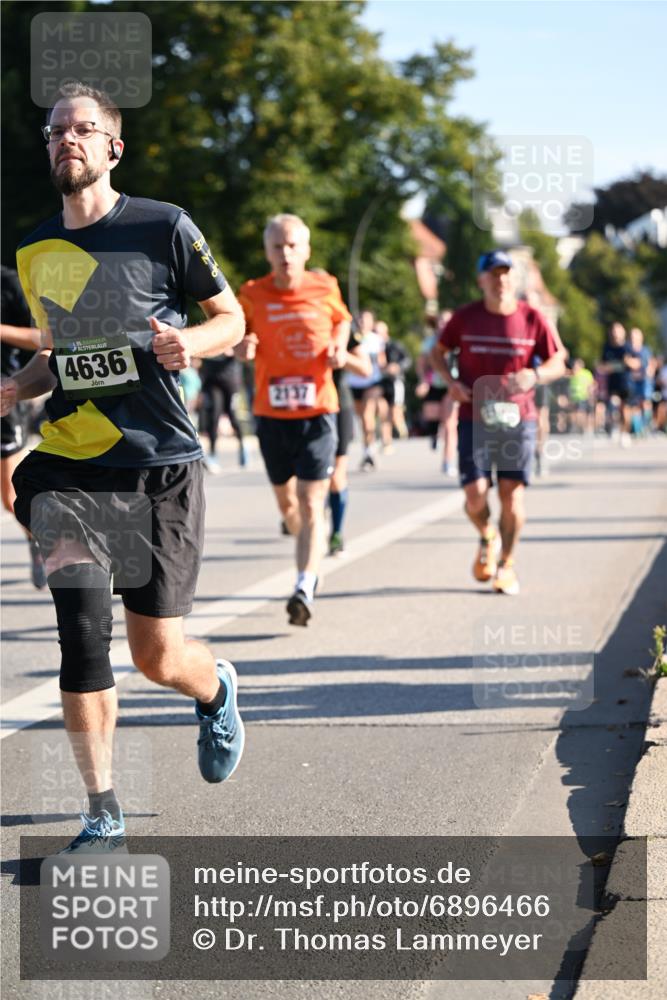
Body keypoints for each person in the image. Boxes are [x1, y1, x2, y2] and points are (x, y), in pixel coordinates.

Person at [0, 83, 246, 852]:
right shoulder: (36, 250)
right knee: (81, 637)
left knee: (156, 654)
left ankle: (215, 689)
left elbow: (230, 320)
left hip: (159, 464)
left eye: (83, 129)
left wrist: (189, 345)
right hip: (72, 469)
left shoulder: (162, 227)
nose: (66, 140)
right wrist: (15, 385)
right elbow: (61, 361)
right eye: (54, 132)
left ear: (113, 146)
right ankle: (102, 810)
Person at [236, 213, 351, 625]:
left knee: (311, 499)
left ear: (306, 251)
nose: (285, 254)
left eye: (292, 246)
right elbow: (236, 333)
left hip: (319, 410)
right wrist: (242, 346)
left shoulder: (325, 287)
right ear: (267, 253)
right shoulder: (251, 293)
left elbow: (342, 322)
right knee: (288, 504)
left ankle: (305, 583)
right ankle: (304, 537)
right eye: (277, 247)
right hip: (272, 414)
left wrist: (338, 346)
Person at [431, 249, 566, 595]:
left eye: (506, 273)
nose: (501, 279)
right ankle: (487, 535)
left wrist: (534, 375)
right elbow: (436, 352)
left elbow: (558, 361)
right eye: (493, 273)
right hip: (474, 416)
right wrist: (451, 383)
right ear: (481, 280)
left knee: (511, 496)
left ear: (514, 278)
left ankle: (506, 563)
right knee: (475, 496)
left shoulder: (532, 317)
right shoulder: (464, 318)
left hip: (517, 418)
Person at [0, 265, 47, 587]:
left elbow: (43, 339)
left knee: (10, 496)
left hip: (3, 395)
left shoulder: (9, 282)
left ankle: (40, 540)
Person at [329, 325, 372, 555]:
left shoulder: (340, 319)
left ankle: (336, 532)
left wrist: (340, 355)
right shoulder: (282, 307)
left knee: (336, 475)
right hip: (294, 409)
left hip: (337, 404)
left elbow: (366, 368)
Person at [346, 309, 386, 470]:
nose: (362, 322)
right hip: (353, 382)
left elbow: (382, 361)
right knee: (361, 419)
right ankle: (367, 448)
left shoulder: (376, 340)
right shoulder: (351, 337)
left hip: (372, 381)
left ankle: (369, 452)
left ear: (371, 322)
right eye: (360, 319)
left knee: (367, 415)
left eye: (366, 319)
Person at [198, 350, 248, 472]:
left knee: (233, 417)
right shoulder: (204, 334)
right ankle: (213, 454)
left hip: (230, 381)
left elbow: (241, 351)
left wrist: (229, 349)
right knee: (214, 417)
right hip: (212, 381)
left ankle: (242, 446)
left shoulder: (227, 332)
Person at [377, 319, 410, 451]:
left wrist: (397, 367)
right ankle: (387, 441)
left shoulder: (395, 345)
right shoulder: (372, 347)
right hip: (379, 383)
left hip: (394, 382)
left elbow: (407, 360)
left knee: (394, 413)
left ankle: (401, 424)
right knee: (383, 413)